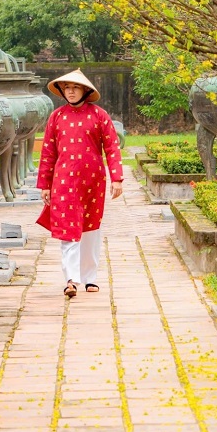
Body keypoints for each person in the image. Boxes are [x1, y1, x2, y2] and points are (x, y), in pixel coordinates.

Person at [36, 69, 123, 298]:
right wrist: (45, 184)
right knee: (68, 229)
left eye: (75, 87)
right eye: (66, 88)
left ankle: (90, 278)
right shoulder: (56, 117)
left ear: (85, 90)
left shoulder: (99, 115)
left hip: (93, 181)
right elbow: (48, 153)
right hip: (63, 181)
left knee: (90, 229)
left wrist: (117, 178)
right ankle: (71, 280)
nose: (71, 91)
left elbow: (112, 147)